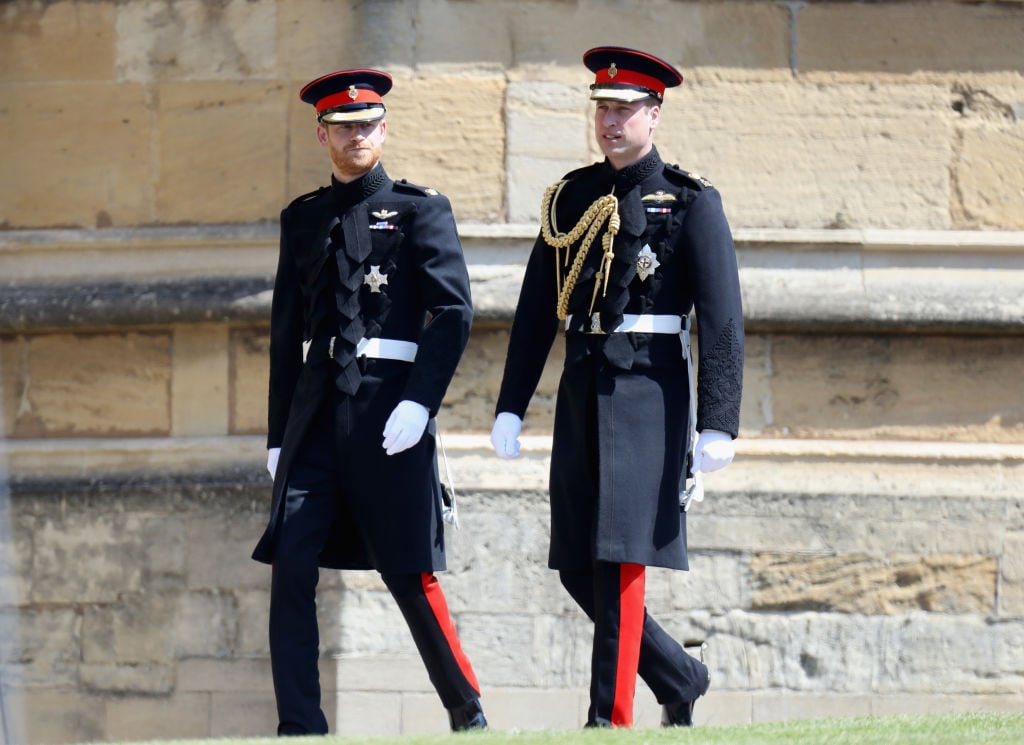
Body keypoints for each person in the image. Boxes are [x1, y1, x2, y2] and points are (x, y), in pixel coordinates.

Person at [489, 46, 744, 728]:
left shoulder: (692, 202)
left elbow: (720, 319)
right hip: (582, 384)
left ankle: (611, 718)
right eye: (602, 109)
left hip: (650, 392)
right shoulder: (572, 197)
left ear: (653, 116)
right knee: (577, 560)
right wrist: (511, 404)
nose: (610, 122)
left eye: (625, 110)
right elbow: (537, 307)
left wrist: (718, 421)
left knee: (622, 554)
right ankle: (680, 675)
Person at [251, 68, 487, 735]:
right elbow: (283, 334)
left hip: (391, 411)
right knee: (292, 564)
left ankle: (467, 709)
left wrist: (421, 402)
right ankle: (301, 724)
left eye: (368, 124)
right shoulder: (302, 218)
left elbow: (453, 311)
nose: (357, 135)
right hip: (317, 415)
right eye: (344, 126)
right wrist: (277, 435)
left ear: (384, 130)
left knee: (409, 569)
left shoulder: (420, 210)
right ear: (323, 133)